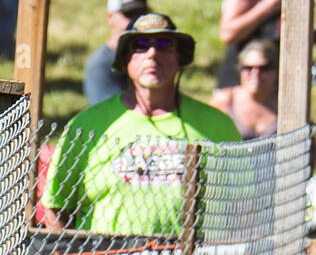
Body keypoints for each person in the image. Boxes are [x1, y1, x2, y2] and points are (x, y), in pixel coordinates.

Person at [43, 14, 240, 235]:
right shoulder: (86, 126)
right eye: (140, 46)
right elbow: (56, 208)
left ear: (179, 59)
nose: (152, 54)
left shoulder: (218, 127)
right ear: (125, 60)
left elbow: (244, 209)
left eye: (164, 45)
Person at [83, 0, 148, 104]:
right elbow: (107, 112)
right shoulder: (101, 65)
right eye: (128, 14)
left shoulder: (153, 56)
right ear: (110, 17)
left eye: (142, 14)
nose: (136, 20)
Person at [210, 38, 279, 138]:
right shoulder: (225, 101)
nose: (255, 74)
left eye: (263, 68)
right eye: (248, 68)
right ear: (240, 70)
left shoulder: (285, 105)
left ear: (276, 71)